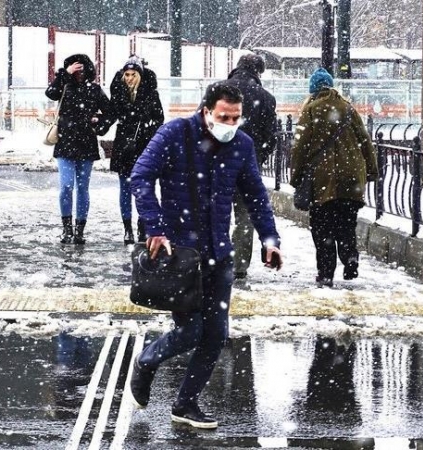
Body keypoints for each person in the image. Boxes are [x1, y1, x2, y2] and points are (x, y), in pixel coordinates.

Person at [129, 83, 283, 429]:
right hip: (180, 256)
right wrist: (154, 227)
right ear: (206, 112)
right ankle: (147, 361)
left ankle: (185, 404)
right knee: (191, 330)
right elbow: (140, 176)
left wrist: (270, 239)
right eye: (223, 116)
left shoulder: (242, 145)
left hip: (219, 254)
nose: (230, 123)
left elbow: (256, 195)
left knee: (215, 335)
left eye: (236, 117)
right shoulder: (175, 134)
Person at [290, 68, 378, 288]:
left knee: (322, 227)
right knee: (346, 223)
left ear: (313, 90)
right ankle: (350, 257)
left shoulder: (310, 110)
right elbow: (365, 141)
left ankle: (326, 273)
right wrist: (371, 171)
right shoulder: (349, 109)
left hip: (322, 180)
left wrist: (296, 176)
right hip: (351, 178)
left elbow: (300, 147)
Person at [203, 53, 280, 279]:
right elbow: (270, 137)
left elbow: (200, 125)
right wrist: (257, 158)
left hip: (214, 164)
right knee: (245, 217)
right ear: (258, 72)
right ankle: (238, 266)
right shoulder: (266, 98)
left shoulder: (216, 90)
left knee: (215, 213)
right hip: (248, 167)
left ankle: (214, 258)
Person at [45, 54, 111, 245]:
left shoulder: (95, 90)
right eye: (75, 69)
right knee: (66, 186)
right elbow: (51, 93)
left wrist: (99, 123)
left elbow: (109, 112)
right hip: (65, 142)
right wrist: (65, 74)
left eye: (82, 68)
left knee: (82, 188)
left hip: (86, 143)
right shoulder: (64, 85)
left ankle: (80, 229)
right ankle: (66, 228)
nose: (79, 73)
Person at [108, 55, 164, 245]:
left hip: (144, 146)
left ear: (140, 75)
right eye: (127, 74)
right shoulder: (118, 92)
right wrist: (98, 124)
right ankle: (127, 228)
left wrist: (146, 128)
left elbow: (159, 118)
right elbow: (110, 114)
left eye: (133, 74)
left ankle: (142, 226)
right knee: (125, 188)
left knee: (143, 189)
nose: (129, 78)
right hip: (124, 145)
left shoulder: (150, 93)